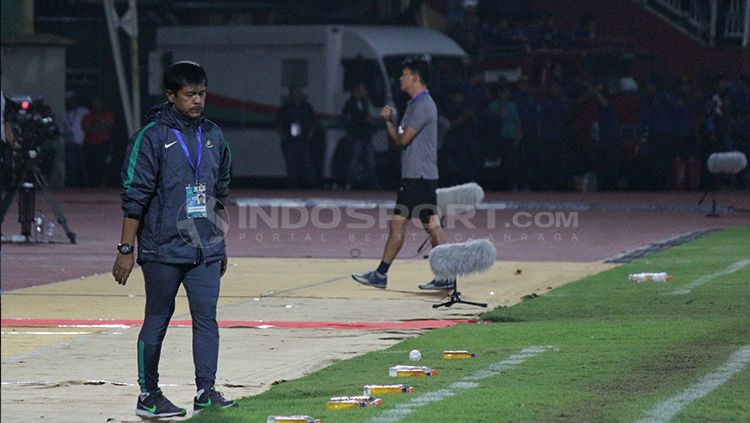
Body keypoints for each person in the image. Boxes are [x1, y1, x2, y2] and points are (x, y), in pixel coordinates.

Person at [111, 61, 236, 419]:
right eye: (190, 94)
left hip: (205, 249)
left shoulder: (214, 134)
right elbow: (134, 197)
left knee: (206, 319)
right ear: (170, 96)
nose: (198, 101)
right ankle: (148, 395)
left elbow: (218, 192)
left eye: (202, 93)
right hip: (162, 249)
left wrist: (220, 244)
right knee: (157, 318)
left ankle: (205, 391)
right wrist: (125, 250)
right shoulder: (150, 137)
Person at [351, 56, 454, 291]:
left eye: (404, 74)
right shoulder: (415, 104)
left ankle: (381, 275)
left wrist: (389, 121)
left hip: (417, 176)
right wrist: (393, 123)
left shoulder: (423, 105)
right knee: (430, 225)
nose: (400, 78)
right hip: (420, 175)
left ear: (415, 78)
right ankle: (445, 275)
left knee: (402, 225)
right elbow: (402, 134)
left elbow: (401, 139)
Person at [276, 85, 320, 189]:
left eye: (299, 92)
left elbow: (313, 122)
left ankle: (311, 187)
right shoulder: (285, 108)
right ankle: (292, 187)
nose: (297, 95)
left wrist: (310, 135)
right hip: (289, 140)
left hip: (303, 140)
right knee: (291, 165)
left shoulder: (307, 107)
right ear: (291, 94)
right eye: (295, 92)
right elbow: (279, 123)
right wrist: (283, 136)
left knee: (307, 164)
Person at [341, 81, 380, 190]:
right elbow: (347, 120)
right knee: (352, 161)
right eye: (362, 89)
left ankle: (372, 184)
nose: (364, 92)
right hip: (356, 136)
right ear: (356, 90)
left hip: (365, 137)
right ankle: (348, 183)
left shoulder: (365, 103)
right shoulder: (350, 104)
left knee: (369, 162)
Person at [81, 96, 114, 187]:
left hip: (103, 144)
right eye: (95, 103)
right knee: (91, 165)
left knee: (104, 165)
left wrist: (97, 128)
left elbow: (108, 127)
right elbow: (87, 129)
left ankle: (103, 185)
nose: (97, 105)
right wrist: (99, 128)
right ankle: (91, 184)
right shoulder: (87, 116)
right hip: (90, 144)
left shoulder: (107, 115)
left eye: (98, 103)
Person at [61, 91, 89, 187]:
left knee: (82, 164)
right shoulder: (64, 114)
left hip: (81, 141)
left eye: (72, 99)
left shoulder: (83, 111)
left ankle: (84, 185)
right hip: (70, 143)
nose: (71, 102)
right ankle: (73, 184)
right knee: (71, 165)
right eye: (69, 100)